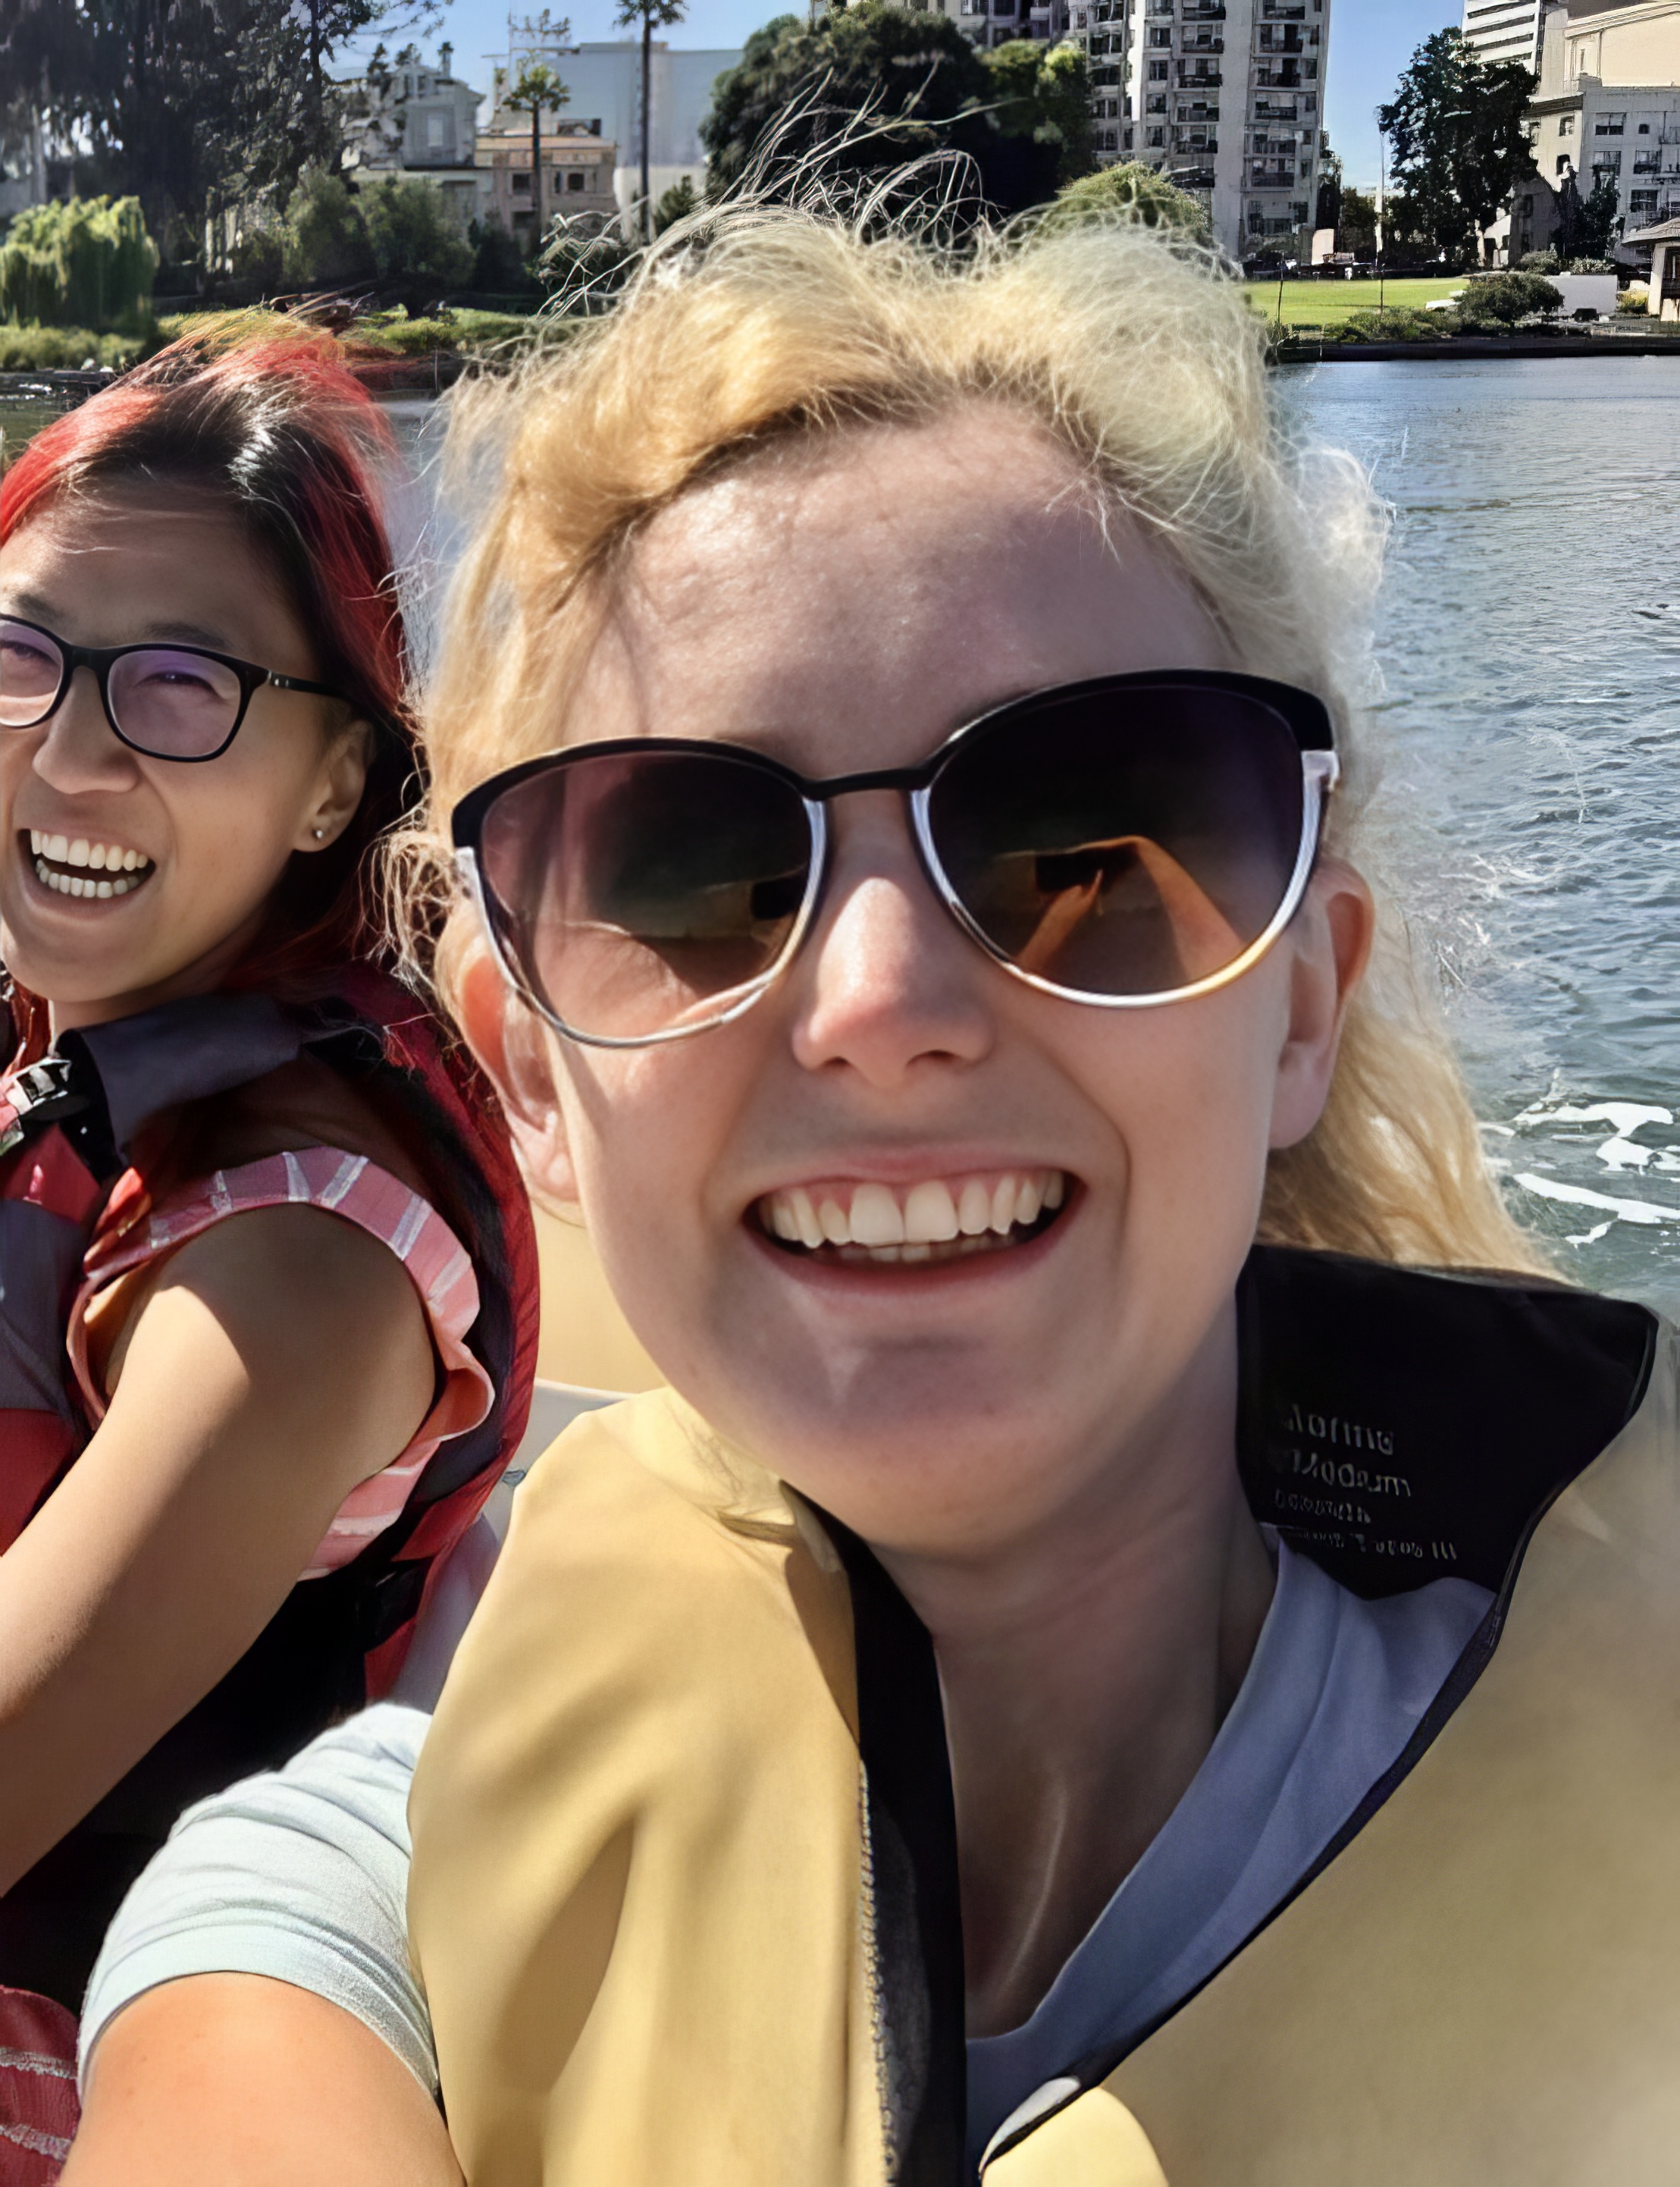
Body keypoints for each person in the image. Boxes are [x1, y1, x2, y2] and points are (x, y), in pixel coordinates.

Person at [64, 210, 1667, 2187]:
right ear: (537, 1069)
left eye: (1096, 840)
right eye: (693, 869)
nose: (883, 1003)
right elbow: (253, 1965)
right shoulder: (400, 1838)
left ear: (1305, 996)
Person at [0, 331, 538, 2173]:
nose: (69, 751)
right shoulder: (65, 1032)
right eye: (20, 657)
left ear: (331, 790)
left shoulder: (295, 1262)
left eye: (181, 690)